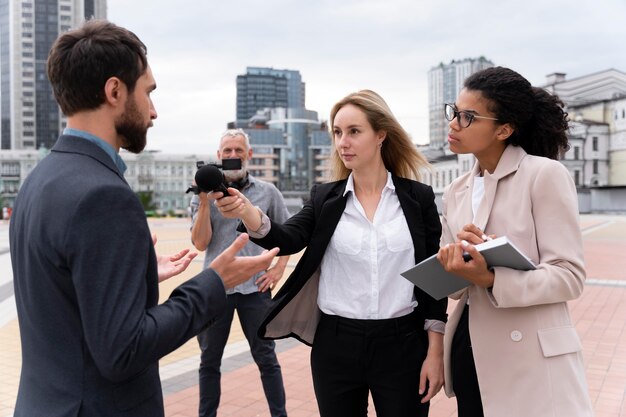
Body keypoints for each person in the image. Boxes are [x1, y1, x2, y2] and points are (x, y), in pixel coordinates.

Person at [9, 20, 278, 417]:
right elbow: (123, 351)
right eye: (148, 92)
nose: (154, 111)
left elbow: (62, 297)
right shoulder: (103, 195)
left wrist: (135, 278)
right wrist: (213, 283)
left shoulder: (38, 182)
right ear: (115, 91)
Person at [214, 90, 447, 417]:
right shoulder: (326, 198)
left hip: (403, 344)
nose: (343, 142)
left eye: (354, 131)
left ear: (381, 135)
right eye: (337, 133)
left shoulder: (417, 198)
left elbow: (434, 279)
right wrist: (246, 211)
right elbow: (289, 237)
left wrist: (435, 351)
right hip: (336, 345)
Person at [436, 66, 594, 417]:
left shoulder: (544, 175)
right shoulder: (455, 190)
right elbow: (456, 288)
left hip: (530, 359)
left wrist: (492, 277)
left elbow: (569, 276)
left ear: (504, 129)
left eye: (467, 117)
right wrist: (454, 264)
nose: (453, 124)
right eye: (453, 112)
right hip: (471, 350)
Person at [190, 128, 290, 417]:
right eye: (227, 151)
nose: (233, 155)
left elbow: (288, 235)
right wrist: (205, 200)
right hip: (215, 287)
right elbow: (199, 243)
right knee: (209, 361)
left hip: (254, 289)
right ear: (218, 157)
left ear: (249, 155)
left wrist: (278, 270)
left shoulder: (268, 192)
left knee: (267, 358)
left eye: (238, 150)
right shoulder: (203, 193)